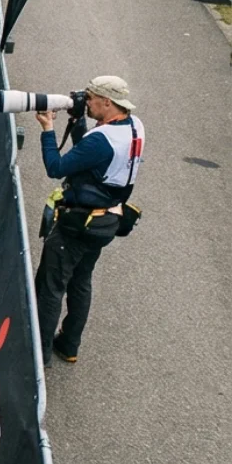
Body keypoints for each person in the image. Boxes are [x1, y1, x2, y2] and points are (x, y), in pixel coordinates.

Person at [33, 77, 144, 364]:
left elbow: (56, 168)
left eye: (91, 98)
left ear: (108, 101)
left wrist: (48, 129)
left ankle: (38, 353)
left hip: (78, 222)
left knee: (51, 286)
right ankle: (68, 345)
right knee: (80, 281)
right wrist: (80, 123)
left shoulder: (102, 140)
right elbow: (91, 156)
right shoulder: (134, 127)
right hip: (105, 221)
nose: (87, 102)